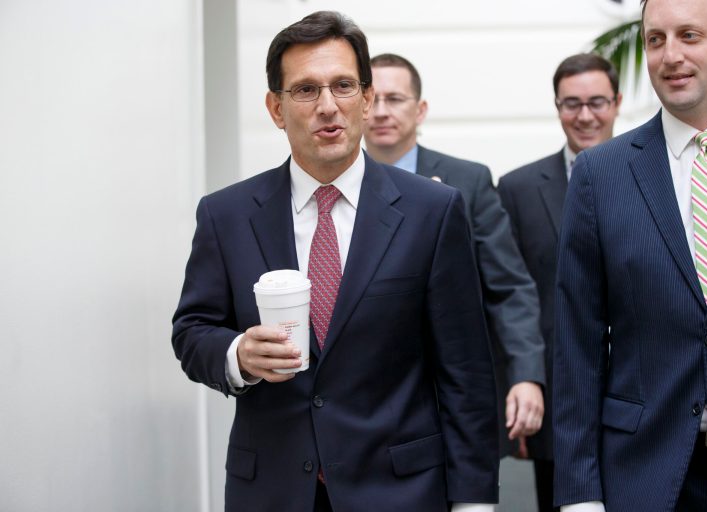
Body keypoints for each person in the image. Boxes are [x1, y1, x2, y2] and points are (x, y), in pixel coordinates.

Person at [172, 11, 499, 512]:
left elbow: (466, 372)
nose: (328, 106)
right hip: (272, 490)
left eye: (344, 86)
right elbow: (191, 330)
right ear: (276, 109)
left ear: (366, 100)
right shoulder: (227, 215)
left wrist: (474, 502)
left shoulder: (432, 211)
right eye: (305, 90)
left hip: (401, 491)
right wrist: (237, 354)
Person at [553, 0, 707, 510]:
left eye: (689, 36)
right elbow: (576, 345)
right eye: (655, 39)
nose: (670, 55)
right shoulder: (599, 175)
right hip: (642, 478)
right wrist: (581, 498)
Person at [363, 53, 546, 462]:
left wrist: (527, 375)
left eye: (394, 99)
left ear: (420, 109)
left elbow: (509, 286)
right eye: (371, 99)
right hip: (367, 407)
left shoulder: (468, 182)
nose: (380, 112)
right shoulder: (338, 187)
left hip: (455, 398)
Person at [496, 53, 622, 512]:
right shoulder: (517, 188)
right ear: (556, 106)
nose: (584, 116)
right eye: (571, 104)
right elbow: (509, 296)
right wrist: (522, 384)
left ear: (617, 102)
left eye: (596, 102)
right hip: (554, 398)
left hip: (643, 390)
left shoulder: (651, 177)